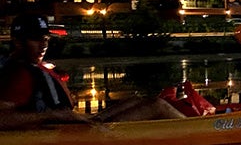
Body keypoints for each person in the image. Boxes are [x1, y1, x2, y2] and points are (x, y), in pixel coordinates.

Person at [0, 12, 185, 128]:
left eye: (46, 39)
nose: (43, 45)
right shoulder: (18, 74)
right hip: (65, 132)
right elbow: (2, 118)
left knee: (141, 100)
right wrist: (53, 114)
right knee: (157, 106)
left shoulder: (30, 67)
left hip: (68, 124)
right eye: (35, 39)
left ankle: (188, 125)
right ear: (18, 42)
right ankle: (200, 129)